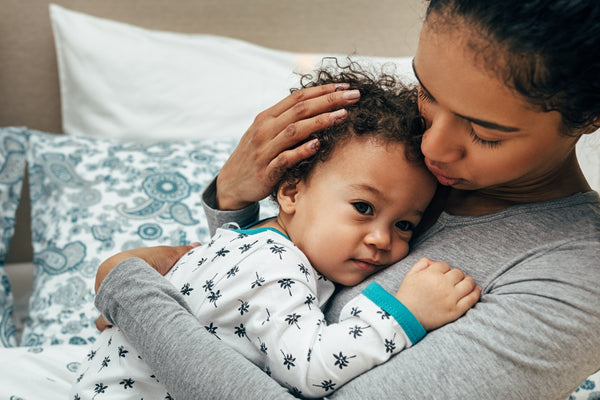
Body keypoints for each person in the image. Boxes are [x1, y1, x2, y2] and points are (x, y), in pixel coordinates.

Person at [93, 0, 600, 399]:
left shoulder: (577, 278)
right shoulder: (399, 157)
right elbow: (257, 318)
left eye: (485, 133)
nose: (432, 148)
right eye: (427, 93)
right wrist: (233, 206)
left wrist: (127, 290)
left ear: (589, 118)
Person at [72, 64, 480, 399]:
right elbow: (309, 369)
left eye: (404, 224)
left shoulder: (241, 240)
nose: (381, 238)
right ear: (290, 191)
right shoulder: (277, 266)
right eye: (363, 207)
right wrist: (405, 312)